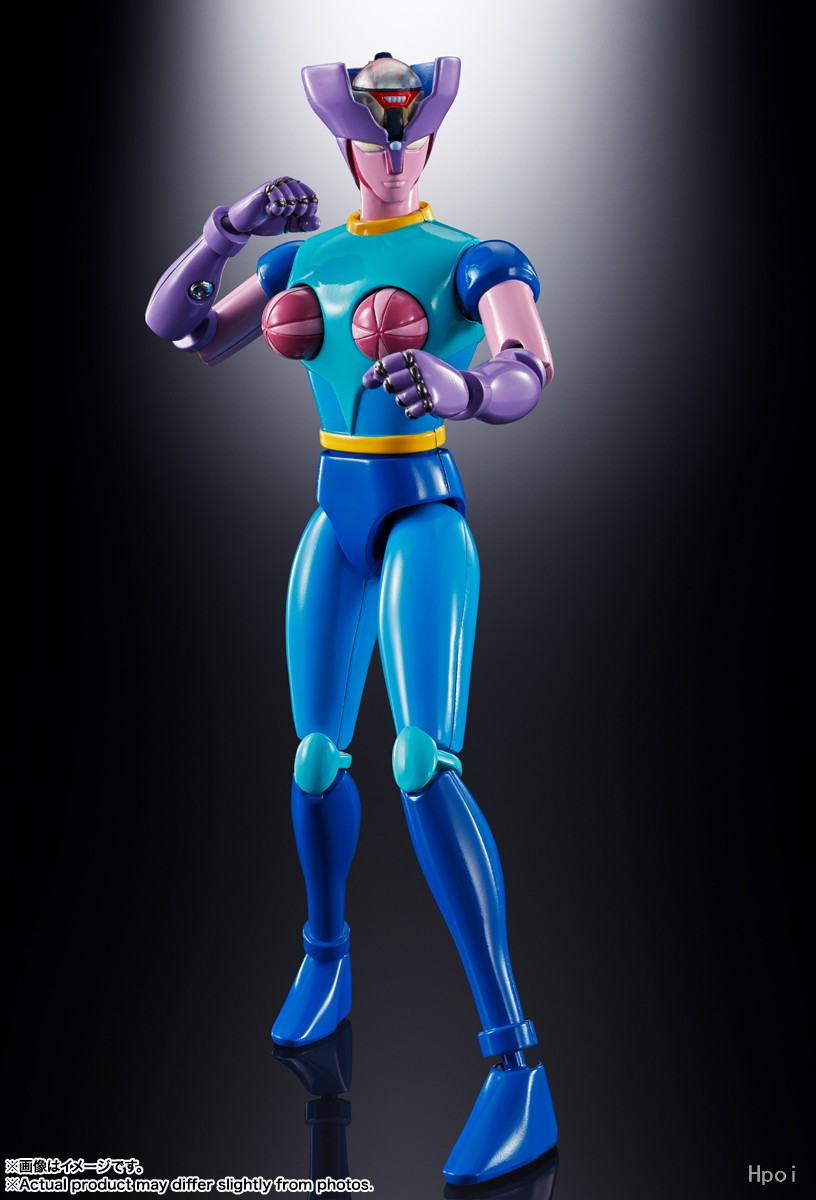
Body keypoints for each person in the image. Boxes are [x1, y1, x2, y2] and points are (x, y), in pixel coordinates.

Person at [146, 51, 557, 1186]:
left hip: (423, 512)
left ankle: (516, 1063)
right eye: (375, 141)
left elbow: (529, 363)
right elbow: (181, 330)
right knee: (317, 758)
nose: (393, 155)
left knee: (422, 761)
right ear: (347, 146)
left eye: (410, 137)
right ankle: (325, 959)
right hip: (336, 516)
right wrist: (223, 232)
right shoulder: (307, 260)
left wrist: (465, 388)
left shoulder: (472, 258)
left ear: (431, 140)